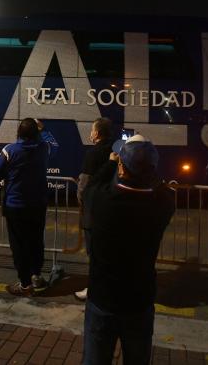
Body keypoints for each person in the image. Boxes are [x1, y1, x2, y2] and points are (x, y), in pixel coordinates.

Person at [83, 135, 175, 365]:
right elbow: (162, 188)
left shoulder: (102, 201)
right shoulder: (162, 204)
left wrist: (111, 162)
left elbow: (89, 187)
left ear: (122, 168)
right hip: (139, 300)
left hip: (103, 298)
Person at [0, 118, 59, 296]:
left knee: (19, 245)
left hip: (15, 206)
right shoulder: (44, 148)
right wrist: (44, 129)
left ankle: (25, 284)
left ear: (18, 133)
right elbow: (54, 145)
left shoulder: (9, 151)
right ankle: (37, 276)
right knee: (36, 241)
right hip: (38, 205)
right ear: (36, 133)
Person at [74, 117, 115, 301]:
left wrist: (82, 203)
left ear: (97, 133)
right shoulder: (116, 150)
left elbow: (84, 185)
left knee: (95, 255)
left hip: (94, 211)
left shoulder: (93, 154)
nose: (90, 133)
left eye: (92, 130)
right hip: (112, 208)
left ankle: (95, 290)